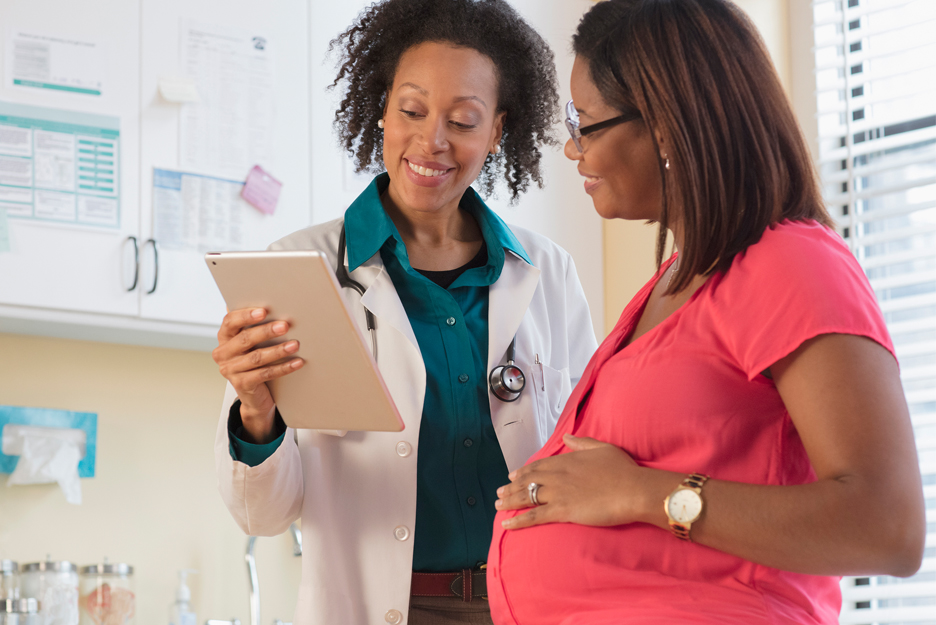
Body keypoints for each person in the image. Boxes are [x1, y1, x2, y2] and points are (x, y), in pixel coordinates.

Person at [487, 1, 927, 623]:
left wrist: (642, 494)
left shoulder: (790, 263)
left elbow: (888, 525)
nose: (570, 145)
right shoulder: (679, 279)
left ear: (663, 126)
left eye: (584, 121)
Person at [211, 1, 597, 623]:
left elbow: (589, 456)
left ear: (497, 130)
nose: (431, 142)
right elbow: (264, 515)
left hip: (530, 601)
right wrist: (256, 411)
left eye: (464, 121)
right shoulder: (300, 269)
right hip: (381, 607)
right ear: (383, 107)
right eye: (411, 111)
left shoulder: (547, 273)